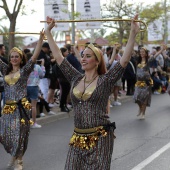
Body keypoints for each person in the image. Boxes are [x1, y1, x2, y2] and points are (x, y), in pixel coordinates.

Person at [45, 14, 139, 170]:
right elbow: (59, 58)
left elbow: (123, 61)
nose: (83, 59)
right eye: (82, 56)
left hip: (100, 138)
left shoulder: (106, 80)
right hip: (78, 137)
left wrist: (133, 33)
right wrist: (48, 33)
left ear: (97, 61)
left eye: (88, 56)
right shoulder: (75, 77)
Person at [0, 30, 44, 170]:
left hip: (21, 109)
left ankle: (19, 160)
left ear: (20, 58)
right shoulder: (5, 70)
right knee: (5, 135)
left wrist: (41, 39)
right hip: (7, 109)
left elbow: (35, 56)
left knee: (20, 135)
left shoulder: (25, 71)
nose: (13, 59)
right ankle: (13, 155)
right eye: (12, 56)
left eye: (16, 56)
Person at [134, 47, 153, 120]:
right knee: (137, 98)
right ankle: (140, 108)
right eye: (140, 52)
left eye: (143, 52)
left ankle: (143, 113)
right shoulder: (137, 60)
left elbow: (155, 56)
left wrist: (161, 50)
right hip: (138, 82)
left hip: (146, 82)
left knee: (144, 98)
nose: (142, 53)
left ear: (146, 53)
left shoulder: (148, 61)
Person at [27, 57, 45, 128]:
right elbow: (42, 75)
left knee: (25, 105)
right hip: (34, 86)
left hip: (25, 87)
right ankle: (34, 123)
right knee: (33, 106)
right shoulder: (37, 67)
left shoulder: (25, 67)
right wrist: (42, 66)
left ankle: (25, 122)